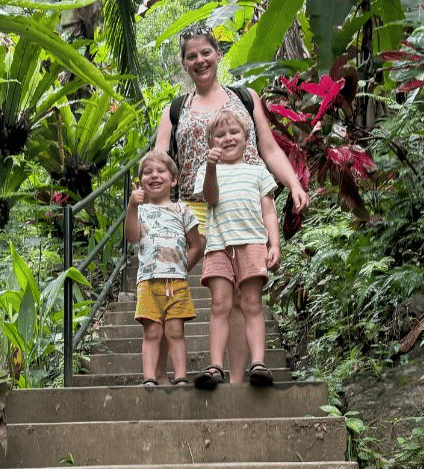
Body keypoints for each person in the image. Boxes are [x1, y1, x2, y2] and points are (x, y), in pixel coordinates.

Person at [153, 25, 309, 384]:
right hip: (195, 210)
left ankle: (238, 382)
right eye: (191, 56)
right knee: (171, 285)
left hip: (242, 203)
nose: (199, 60)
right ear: (184, 63)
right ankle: (160, 378)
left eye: (205, 52)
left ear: (218, 53)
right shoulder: (176, 109)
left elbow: (268, 148)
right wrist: (150, 200)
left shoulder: (245, 97)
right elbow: (160, 157)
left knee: (241, 297)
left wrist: (294, 182)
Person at [192, 109, 279, 388]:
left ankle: (258, 362)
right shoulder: (207, 171)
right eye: (220, 135)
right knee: (220, 305)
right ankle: (216, 365)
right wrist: (210, 168)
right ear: (211, 143)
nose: (228, 138)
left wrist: (273, 244)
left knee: (252, 304)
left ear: (246, 137)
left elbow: (269, 212)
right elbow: (210, 197)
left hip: (253, 243)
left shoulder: (257, 171)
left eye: (234, 132)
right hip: (218, 246)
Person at [124, 150, 204, 386]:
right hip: (148, 281)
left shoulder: (183, 211)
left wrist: (181, 269)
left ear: (174, 179)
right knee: (152, 333)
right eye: (147, 172)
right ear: (140, 182)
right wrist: (131, 206)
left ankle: (180, 377)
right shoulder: (141, 211)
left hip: (176, 282)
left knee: (176, 331)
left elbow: (196, 246)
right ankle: (149, 377)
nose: (154, 176)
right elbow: (131, 236)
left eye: (161, 171)